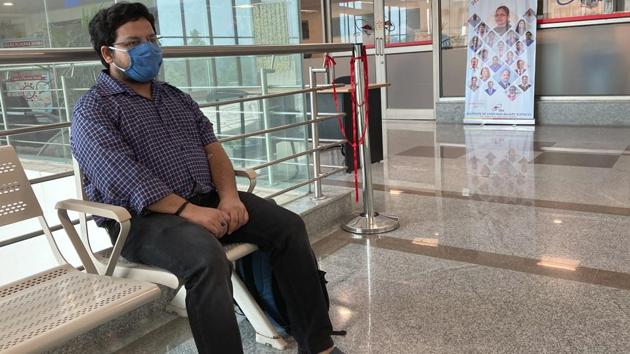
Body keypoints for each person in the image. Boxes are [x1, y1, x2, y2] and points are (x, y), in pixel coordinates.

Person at [71, 3, 341, 354]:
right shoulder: (94, 109)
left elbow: (213, 149)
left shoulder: (175, 98)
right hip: (141, 221)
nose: (149, 49)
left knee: (287, 226)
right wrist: (187, 211)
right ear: (108, 53)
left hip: (207, 200)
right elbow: (122, 176)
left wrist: (229, 197)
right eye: (135, 42)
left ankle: (317, 344)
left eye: (152, 39)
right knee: (206, 259)